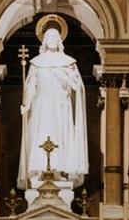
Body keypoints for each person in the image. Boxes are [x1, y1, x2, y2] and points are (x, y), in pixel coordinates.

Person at [18, 25, 88, 190]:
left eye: (55, 38)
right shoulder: (36, 63)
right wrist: (26, 104)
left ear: (60, 41)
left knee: (60, 135)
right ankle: (39, 170)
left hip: (60, 105)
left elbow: (77, 86)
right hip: (42, 105)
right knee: (40, 134)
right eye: (49, 37)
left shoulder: (68, 63)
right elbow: (31, 86)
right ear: (44, 41)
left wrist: (72, 79)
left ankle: (57, 170)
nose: (52, 40)